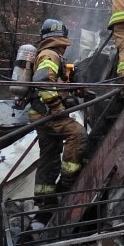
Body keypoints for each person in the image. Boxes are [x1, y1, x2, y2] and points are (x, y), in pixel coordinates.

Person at [28, 19, 87, 197]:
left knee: (49, 159)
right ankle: (66, 184)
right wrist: (56, 107)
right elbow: (43, 81)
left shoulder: (47, 54)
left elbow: (51, 82)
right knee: (78, 134)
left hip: (38, 113)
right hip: (47, 112)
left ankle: (45, 200)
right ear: (60, 39)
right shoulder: (50, 55)